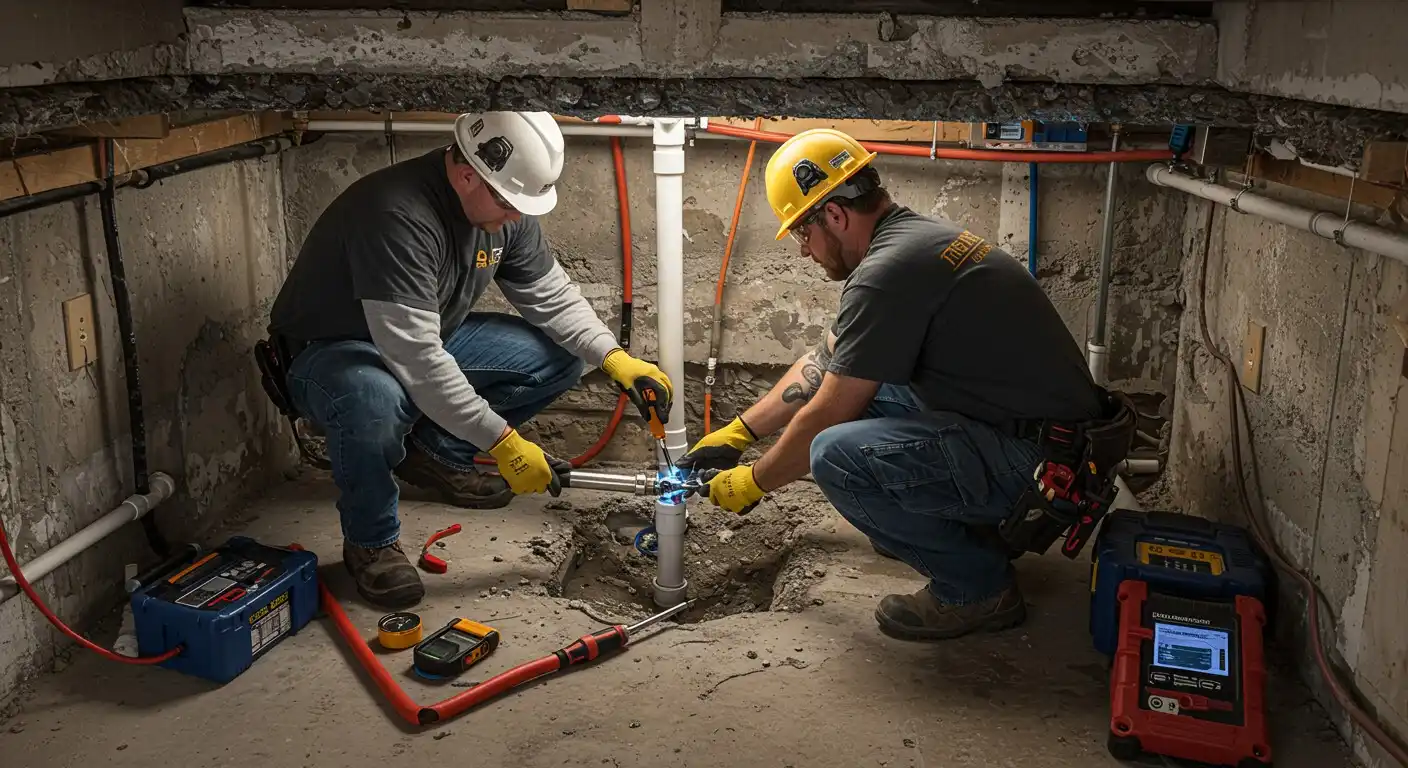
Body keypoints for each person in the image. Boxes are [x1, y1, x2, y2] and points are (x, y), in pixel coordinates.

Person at [677, 128, 1104, 641]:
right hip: (1049, 441)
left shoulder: (886, 274)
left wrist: (752, 481)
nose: (803, 252)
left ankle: (979, 589)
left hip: (1043, 469)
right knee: (869, 395)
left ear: (834, 215)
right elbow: (824, 362)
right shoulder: (914, 242)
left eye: (801, 233)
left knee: (835, 454)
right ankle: (959, 530)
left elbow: (828, 413)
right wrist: (739, 432)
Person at [266, 111, 672, 609]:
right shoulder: (397, 215)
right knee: (375, 401)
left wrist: (613, 357)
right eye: (510, 202)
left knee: (558, 356)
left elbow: (551, 298)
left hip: (423, 335)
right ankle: (371, 543)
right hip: (334, 351)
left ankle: (434, 454)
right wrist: (503, 443)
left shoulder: (504, 213)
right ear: (465, 174)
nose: (518, 217)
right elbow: (417, 360)